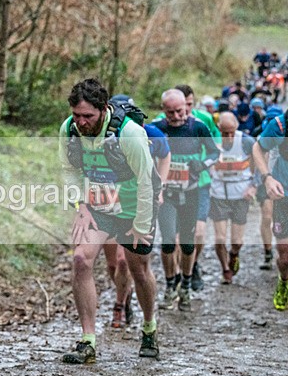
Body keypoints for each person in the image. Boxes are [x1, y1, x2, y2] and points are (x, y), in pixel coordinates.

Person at [59, 78, 160, 364]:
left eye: (87, 116)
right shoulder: (69, 129)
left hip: (132, 209)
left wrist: (141, 225)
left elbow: (146, 182)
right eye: (76, 115)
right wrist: (80, 204)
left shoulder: (130, 134)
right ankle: (87, 340)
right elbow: (69, 169)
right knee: (81, 260)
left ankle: (149, 327)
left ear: (103, 109)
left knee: (138, 271)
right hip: (98, 208)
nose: (81, 122)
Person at [101, 95, 171, 329]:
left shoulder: (149, 133)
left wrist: (159, 186)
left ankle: (124, 308)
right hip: (108, 204)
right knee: (113, 265)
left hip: (135, 204)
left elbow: (165, 155)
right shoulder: (103, 134)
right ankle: (125, 294)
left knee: (127, 263)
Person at [151, 89, 218, 311]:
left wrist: (203, 164)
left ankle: (186, 285)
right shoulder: (158, 128)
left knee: (188, 243)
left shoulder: (197, 126)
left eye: (180, 111)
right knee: (168, 240)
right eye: (170, 113)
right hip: (167, 193)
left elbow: (214, 153)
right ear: (164, 111)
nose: (176, 116)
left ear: (186, 107)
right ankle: (171, 285)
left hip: (191, 192)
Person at [210, 113, 258, 284]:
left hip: (240, 194)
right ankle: (225, 269)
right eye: (225, 133)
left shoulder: (247, 142)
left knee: (237, 241)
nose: (229, 137)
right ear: (219, 129)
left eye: (232, 132)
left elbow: (259, 166)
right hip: (219, 194)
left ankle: (234, 254)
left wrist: (253, 187)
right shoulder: (213, 143)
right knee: (220, 238)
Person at [253, 111, 288, 311]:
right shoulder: (280, 125)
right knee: (285, 257)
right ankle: (284, 280)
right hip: (283, 196)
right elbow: (257, 149)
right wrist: (267, 178)